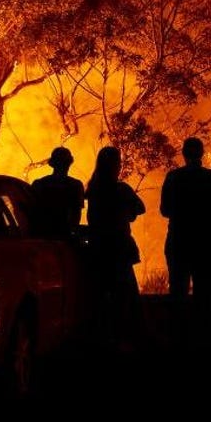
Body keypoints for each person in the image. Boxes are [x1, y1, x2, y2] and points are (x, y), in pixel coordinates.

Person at [85, 146, 146, 348]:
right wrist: (127, 214)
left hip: (98, 249)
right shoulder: (120, 189)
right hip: (119, 249)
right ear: (115, 165)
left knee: (101, 296)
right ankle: (128, 339)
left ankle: (102, 338)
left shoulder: (92, 189)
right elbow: (140, 208)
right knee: (127, 296)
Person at [159, 137, 211, 301]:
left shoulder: (173, 177)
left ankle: (178, 326)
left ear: (183, 153)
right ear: (202, 153)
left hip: (178, 242)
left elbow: (164, 210)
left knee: (178, 293)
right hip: (204, 244)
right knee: (204, 294)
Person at [31, 146, 84, 239]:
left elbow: (31, 212)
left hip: (41, 236)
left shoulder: (39, 184)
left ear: (52, 163)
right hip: (64, 236)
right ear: (70, 163)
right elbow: (76, 215)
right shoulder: (75, 185)